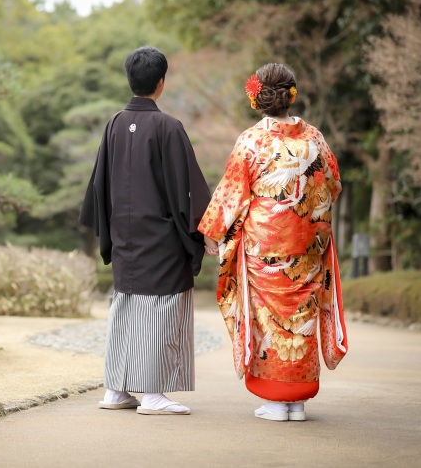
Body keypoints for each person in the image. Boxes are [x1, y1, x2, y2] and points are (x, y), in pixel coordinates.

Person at [198, 63, 348, 422]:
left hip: (265, 250)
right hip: (309, 248)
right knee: (304, 316)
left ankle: (277, 401)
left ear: (257, 99)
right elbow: (334, 184)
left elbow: (233, 194)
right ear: (291, 95)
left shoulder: (252, 141)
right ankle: (297, 403)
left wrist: (211, 233)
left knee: (271, 320)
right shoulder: (315, 138)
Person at [79, 46, 214, 415]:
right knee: (161, 310)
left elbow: (98, 186)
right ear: (161, 82)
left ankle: (117, 390)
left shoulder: (114, 124)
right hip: (162, 238)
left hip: (124, 235)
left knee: (125, 307)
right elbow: (187, 189)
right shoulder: (168, 127)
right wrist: (202, 232)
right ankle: (152, 393)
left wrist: (109, 229)